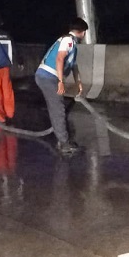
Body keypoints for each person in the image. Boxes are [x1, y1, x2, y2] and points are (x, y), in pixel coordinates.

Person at [35, 17, 88, 155]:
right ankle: (64, 144)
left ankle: (63, 140)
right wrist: (60, 81)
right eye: (84, 32)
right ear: (81, 32)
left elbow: (74, 65)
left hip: (49, 77)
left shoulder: (72, 44)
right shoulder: (68, 40)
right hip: (47, 77)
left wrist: (79, 83)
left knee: (58, 108)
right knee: (58, 109)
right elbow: (59, 58)